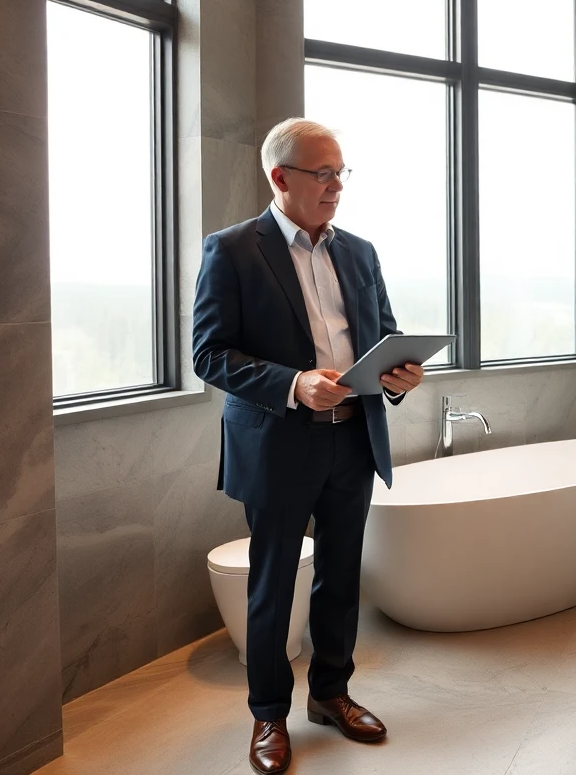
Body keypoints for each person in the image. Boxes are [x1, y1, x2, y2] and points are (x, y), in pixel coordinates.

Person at [193, 117, 423, 774]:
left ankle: (331, 694)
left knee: (340, 576)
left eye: (341, 172)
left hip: (353, 438)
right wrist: (293, 384)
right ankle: (268, 715)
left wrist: (399, 373)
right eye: (323, 173)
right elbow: (209, 354)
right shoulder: (232, 250)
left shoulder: (360, 251)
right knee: (271, 587)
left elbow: (383, 334)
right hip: (276, 446)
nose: (336, 186)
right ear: (280, 177)